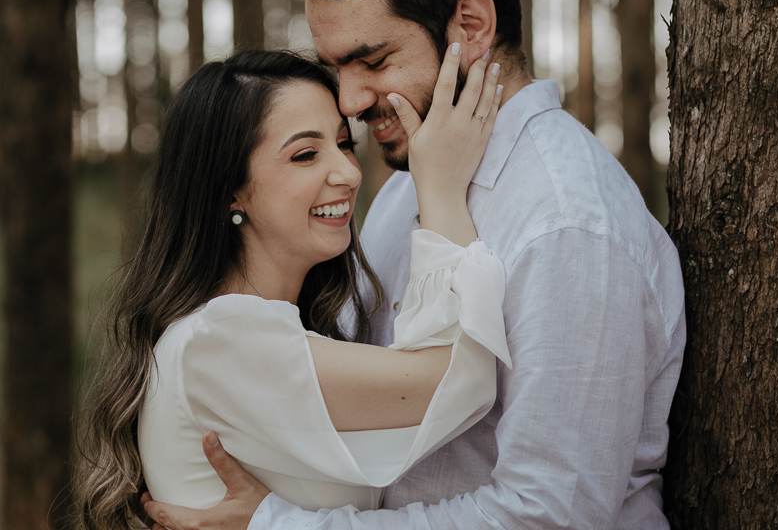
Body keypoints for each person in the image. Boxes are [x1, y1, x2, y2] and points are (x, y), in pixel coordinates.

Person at [143, 0, 687, 528]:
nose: (347, 100)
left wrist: (280, 524)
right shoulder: (405, 190)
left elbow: (551, 514)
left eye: (372, 60)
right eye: (335, 67)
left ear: (473, 24)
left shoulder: (568, 225)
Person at [76, 47, 510, 530]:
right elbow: (456, 379)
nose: (348, 173)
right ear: (229, 189)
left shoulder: (255, 334)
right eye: (305, 154)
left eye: (344, 144)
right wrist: (442, 188)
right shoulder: (221, 341)